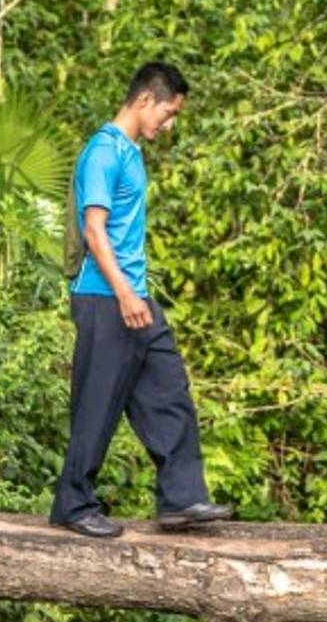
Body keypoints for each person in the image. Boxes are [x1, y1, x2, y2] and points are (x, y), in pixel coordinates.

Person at [49, 61, 232, 537]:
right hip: (105, 296)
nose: (169, 125)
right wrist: (127, 294)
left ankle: (182, 499)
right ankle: (73, 505)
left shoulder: (130, 152)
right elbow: (94, 230)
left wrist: (137, 295)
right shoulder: (103, 152)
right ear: (145, 100)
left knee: (169, 390)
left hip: (134, 297)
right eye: (168, 113)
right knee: (97, 402)